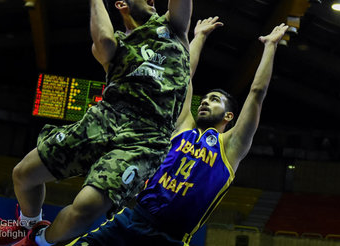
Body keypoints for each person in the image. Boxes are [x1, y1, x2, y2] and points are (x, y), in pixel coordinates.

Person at [0, 0, 192, 246]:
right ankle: (26, 223)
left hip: (147, 136)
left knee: (85, 210)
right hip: (106, 117)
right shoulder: (115, 45)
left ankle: (37, 242)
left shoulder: (173, 29)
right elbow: (105, 41)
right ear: (121, 4)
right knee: (23, 174)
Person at [66, 17, 288, 245]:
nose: (204, 102)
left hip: (170, 238)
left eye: (214, 100)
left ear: (229, 116)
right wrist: (199, 37)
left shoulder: (231, 147)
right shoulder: (183, 127)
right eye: (204, 99)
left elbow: (257, 92)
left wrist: (270, 46)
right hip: (133, 220)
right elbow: (182, 77)